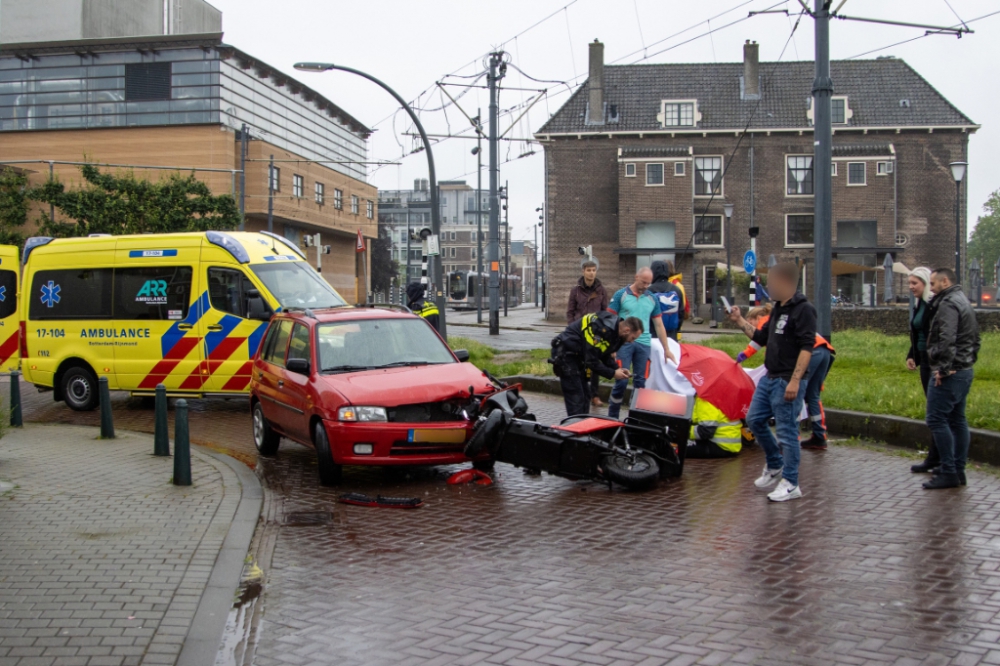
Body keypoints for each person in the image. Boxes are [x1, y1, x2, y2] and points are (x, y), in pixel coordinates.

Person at [727, 262, 816, 502]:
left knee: (787, 432)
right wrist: (738, 320)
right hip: (770, 377)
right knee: (755, 419)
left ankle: (791, 483)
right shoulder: (778, 308)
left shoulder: (803, 309)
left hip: (787, 379)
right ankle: (775, 464)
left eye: (773, 282)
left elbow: (808, 347)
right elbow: (761, 337)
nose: (769, 287)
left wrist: (795, 381)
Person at [737, 302, 835, 451]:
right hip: (823, 350)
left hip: (809, 352)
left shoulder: (768, 320)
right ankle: (819, 437)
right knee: (812, 395)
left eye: (750, 321)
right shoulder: (783, 318)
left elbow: (758, 340)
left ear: (757, 317)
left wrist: (742, 357)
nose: (751, 325)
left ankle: (791, 439)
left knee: (794, 394)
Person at [921, 267, 980, 490]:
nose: (932, 289)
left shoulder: (947, 304)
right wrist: (967, 362)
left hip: (951, 371)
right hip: (964, 369)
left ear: (945, 282)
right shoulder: (963, 300)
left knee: (936, 419)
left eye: (933, 284)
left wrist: (943, 369)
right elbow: (975, 338)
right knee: (957, 420)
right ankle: (958, 469)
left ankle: (948, 471)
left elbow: (946, 338)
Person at [607, 267, 677, 418]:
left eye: (648, 284)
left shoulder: (652, 298)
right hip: (623, 344)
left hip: (644, 344)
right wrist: (611, 347)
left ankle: (635, 418)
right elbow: (610, 320)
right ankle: (612, 416)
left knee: (641, 383)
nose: (645, 286)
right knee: (621, 381)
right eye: (643, 282)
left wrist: (667, 349)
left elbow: (659, 325)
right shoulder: (621, 295)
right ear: (636, 277)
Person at [550, 312, 642, 417]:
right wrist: (612, 373)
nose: (632, 342)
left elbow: (604, 354)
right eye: (633, 338)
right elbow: (591, 360)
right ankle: (574, 428)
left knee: (585, 396)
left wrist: (618, 369)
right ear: (627, 330)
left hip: (579, 356)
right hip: (566, 353)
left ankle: (581, 426)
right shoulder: (600, 328)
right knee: (576, 396)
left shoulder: (615, 331)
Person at [906, 267, 940, 474]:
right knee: (933, 408)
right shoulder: (920, 305)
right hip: (924, 360)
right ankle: (935, 456)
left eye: (914, 283)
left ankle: (938, 458)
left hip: (933, 361)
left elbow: (935, 335)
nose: (910, 287)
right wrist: (912, 355)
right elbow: (917, 332)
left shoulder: (933, 306)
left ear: (926, 284)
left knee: (936, 411)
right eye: (909, 283)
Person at [566, 259, 610, 407]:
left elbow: (605, 312)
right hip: (580, 332)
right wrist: (573, 329)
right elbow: (570, 312)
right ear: (583, 271)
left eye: (593, 270)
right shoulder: (576, 290)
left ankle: (594, 395)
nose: (591, 273)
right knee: (580, 364)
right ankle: (582, 393)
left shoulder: (601, 290)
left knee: (595, 364)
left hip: (596, 332)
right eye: (588, 270)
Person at [647, 260, 684, 340]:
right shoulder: (676, 290)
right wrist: (675, 330)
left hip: (653, 335)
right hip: (671, 335)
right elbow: (681, 313)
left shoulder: (649, 291)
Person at [667, 263, 689, 338]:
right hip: (673, 328)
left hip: (671, 328)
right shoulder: (678, 285)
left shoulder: (675, 286)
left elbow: (682, 308)